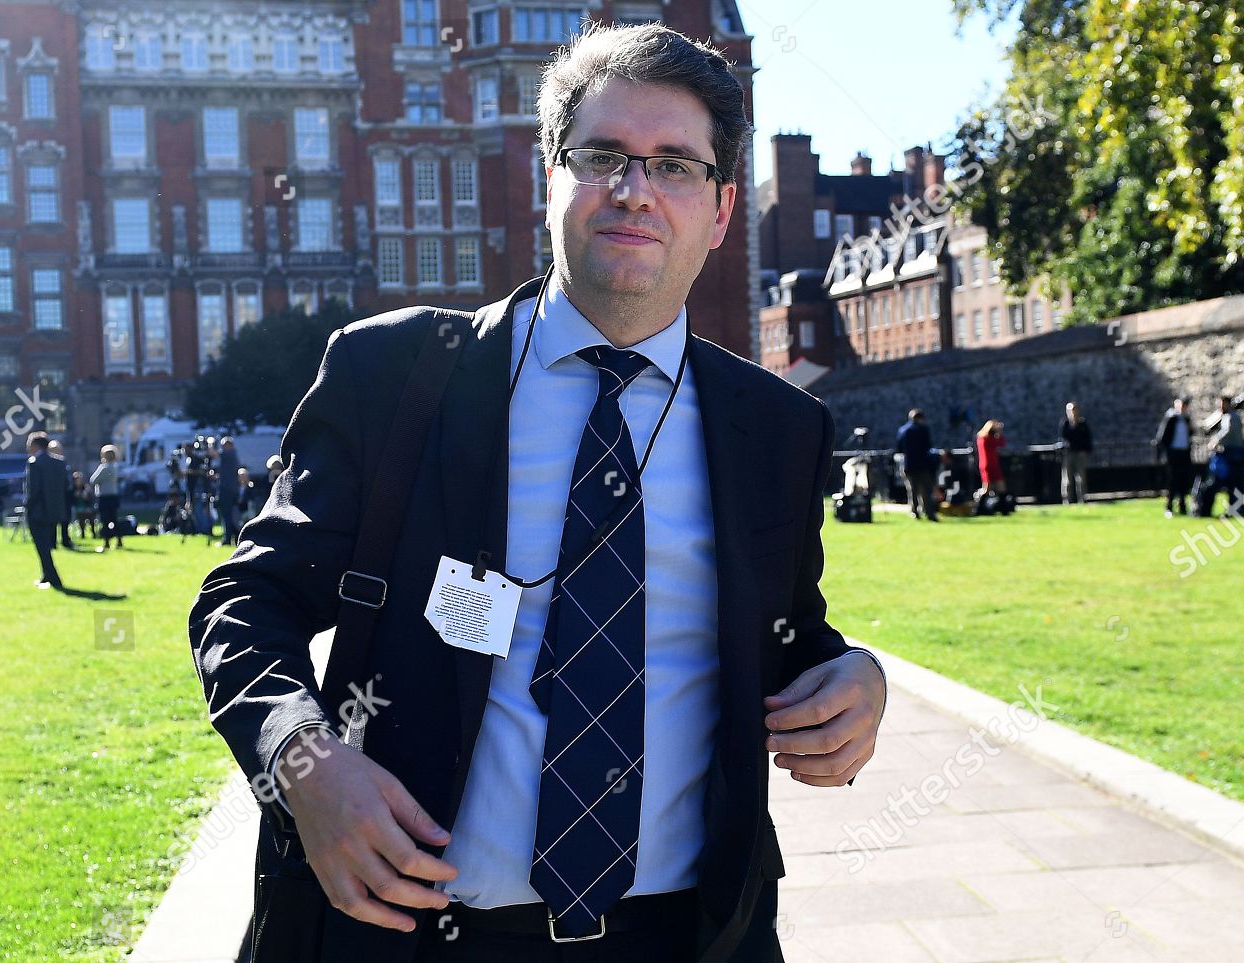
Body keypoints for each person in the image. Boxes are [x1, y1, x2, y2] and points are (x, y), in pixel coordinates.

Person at [189, 24, 887, 963]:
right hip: (417, 935)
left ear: (723, 211)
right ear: (548, 178)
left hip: (680, 939)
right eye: (603, 156)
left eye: (675, 165)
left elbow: (783, 635)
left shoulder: (777, 428)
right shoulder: (396, 375)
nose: (634, 189)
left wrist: (854, 678)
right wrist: (305, 764)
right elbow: (245, 603)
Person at [22, 432, 65, 589]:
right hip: (54, 511)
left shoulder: (34, 463)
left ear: (35, 446)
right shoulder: (59, 463)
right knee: (46, 545)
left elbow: (33, 490)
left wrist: (27, 506)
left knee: (42, 548)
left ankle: (54, 579)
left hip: (38, 511)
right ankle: (46, 576)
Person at [894, 408, 939, 521]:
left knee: (912, 490)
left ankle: (915, 512)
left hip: (908, 464)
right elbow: (928, 446)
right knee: (926, 490)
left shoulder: (902, 430)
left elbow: (899, 448)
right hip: (923, 464)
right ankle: (929, 512)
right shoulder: (923, 429)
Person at [1153, 396, 1194, 517]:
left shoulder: (1186, 420)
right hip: (1173, 453)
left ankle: (1182, 505)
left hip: (1184, 453)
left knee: (1183, 481)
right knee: (1173, 481)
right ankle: (1169, 505)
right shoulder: (1171, 418)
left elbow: (1190, 434)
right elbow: (1163, 437)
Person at [1210, 394, 1244, 518]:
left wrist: (1215, 440)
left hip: (1233, 454)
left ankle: (1236, 508)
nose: (1220, 406)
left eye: (1222, 404)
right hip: (1235, 454)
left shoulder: (1231, 417)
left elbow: (1227, 432)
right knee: (1236, 484)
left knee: (1234, 483)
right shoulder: (1232, 416)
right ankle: (1237, 508)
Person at [90, 445, 125, 552]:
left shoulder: (104, 468)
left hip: (104, 496)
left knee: (105, 520)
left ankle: (106, 542)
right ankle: (119, 540)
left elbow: (93, 480)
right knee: (114, 519)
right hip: (113, 496)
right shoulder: (115, 467)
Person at [1058, 402, 1092, 504]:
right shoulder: (1066, 424)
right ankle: (1067, 500)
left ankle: (1082, 499)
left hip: (1080, 454)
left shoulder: (1083, 424)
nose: (1072, 413)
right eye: (1070, 410)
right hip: (1069, 454)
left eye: (1074, 410)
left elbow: (1087, 439)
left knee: (1081, 478)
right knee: (1067, 479)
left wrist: (1085, 450)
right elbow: (1063, 438)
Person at [976, 419, 1008, 506]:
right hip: (991, 464)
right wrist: (999, 432)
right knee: (995, 486)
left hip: (985, 464)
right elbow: (1001, 442)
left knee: (989, 486)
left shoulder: (981, 438)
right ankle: (1002, 506)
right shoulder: (987, 439)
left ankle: (981, 507)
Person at [216, 437, 241, 547]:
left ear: (229, 445)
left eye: (223, 445)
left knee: (227, 515)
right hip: (230, 488)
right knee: (229, 514)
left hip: (227, 489)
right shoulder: (232, 455)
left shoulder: (229, 454)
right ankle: (231, 537)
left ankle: (227, 538)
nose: (222, 448)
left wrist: (210, 444)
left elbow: (213, 454)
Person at [72, 470, 97, 538]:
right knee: (81, 516)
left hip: (87, 507)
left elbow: (91, 499)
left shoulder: (86, 488)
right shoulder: (73, 489)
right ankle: (82, 533)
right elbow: (73, 500)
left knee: (90, 515)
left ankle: (93, 533)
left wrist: (86, 497)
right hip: (78, 508)